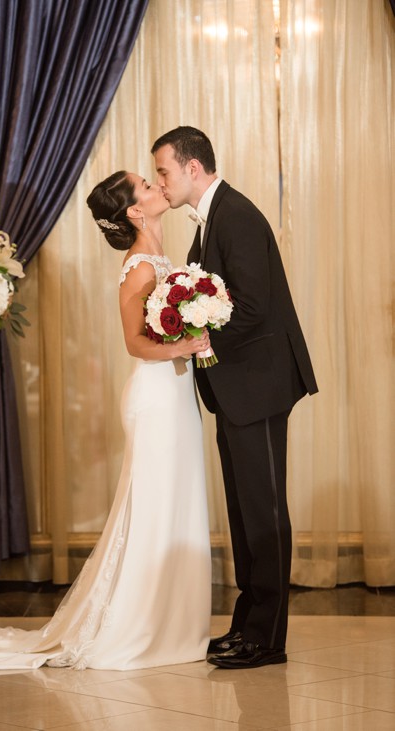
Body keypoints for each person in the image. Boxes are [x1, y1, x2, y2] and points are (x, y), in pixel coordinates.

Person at [0, 172, 214, 670]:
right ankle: (139, 628)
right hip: (155, 395)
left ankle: (173, 622)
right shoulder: (137, 266)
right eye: (145, 184)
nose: (157, 186)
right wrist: (188, 344)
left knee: (176, 502)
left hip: (177, 392)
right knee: (153, 505)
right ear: (135, 212)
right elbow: (135, 342)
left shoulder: (160, 257)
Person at [152, 126, 318, 669]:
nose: (162, 182)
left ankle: (267, 638)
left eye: (164, 172)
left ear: (193, 168)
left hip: (260, 386)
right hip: (238, 387)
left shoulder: (237, 215)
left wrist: (195, 338)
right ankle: (247, 625)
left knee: (264, 512)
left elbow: (252, 307)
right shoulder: (213, 218)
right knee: (246, 514)